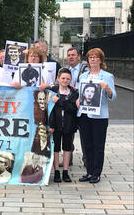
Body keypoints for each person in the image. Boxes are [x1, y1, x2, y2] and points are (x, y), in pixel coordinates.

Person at [77, 48, 116, 184]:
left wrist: (107, 88)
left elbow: (113, 97)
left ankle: (96, 173)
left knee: (98, 145)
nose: (92, 59)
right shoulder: (83, 76)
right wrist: (78, 100)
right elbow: (79, 93)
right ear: (87, 60)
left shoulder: (107, 76)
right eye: (90, 57)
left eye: (95, 57)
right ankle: (89, 172)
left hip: (99, 116)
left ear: (100, 60)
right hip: (84, 114)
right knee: (87, 144)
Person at [48, 68, 79, 183]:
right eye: (63, 78)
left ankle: (65, 171)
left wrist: (60, 101)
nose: (65, 81)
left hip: (69, 125)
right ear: (58, 79)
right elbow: (49, 110)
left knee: (67, 148)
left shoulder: (74, 93)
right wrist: (50, 125)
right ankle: (56, 171)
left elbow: (72, 108)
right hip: (55, 125)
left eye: (68, 79)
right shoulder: (52, 91)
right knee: (56, 148)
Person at [66, 47, 88, 166]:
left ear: (78, 57)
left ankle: (86, 159)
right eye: (69, 55)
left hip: (83, 105)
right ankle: (68, 158)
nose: (71, 57)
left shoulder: (85, 69)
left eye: (73, 55)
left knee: (84, 134)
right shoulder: (65, 70)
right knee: (68, 133)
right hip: (70, 106)